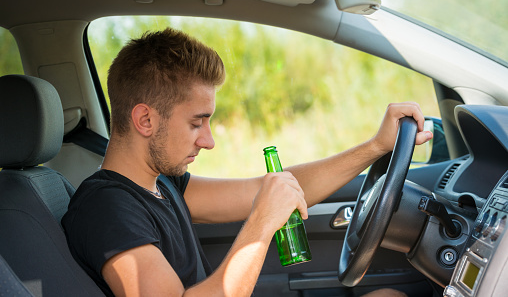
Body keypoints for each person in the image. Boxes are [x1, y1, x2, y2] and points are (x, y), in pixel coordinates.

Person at [62, 28, 433, 297]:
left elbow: (278, 189)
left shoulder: (162, 184)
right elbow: (265, 206)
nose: (208, 141)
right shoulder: (106, 208)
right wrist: (261, 223)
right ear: (145, 120)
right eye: (196, 123)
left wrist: (375, 146)